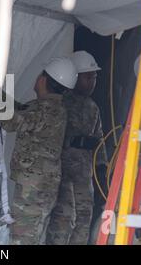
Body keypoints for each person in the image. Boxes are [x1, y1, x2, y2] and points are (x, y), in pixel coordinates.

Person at [0, 57, 78, 245]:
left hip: (34, 190)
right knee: (28, 236)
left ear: (43, 80)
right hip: (38, 187)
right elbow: (20, 109)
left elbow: (13, 121)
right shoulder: (48, 107)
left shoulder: (48, 110)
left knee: (22, 238)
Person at [46, 50, 107, 245]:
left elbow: (99, 144)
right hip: (61, 175)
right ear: (75, 77)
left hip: (84, 177)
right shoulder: (59, 103)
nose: (92, 82)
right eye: (87, 77)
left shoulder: (93, 108)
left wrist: (102, 172)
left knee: (83, 220)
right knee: (62, 221)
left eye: (94, 77)